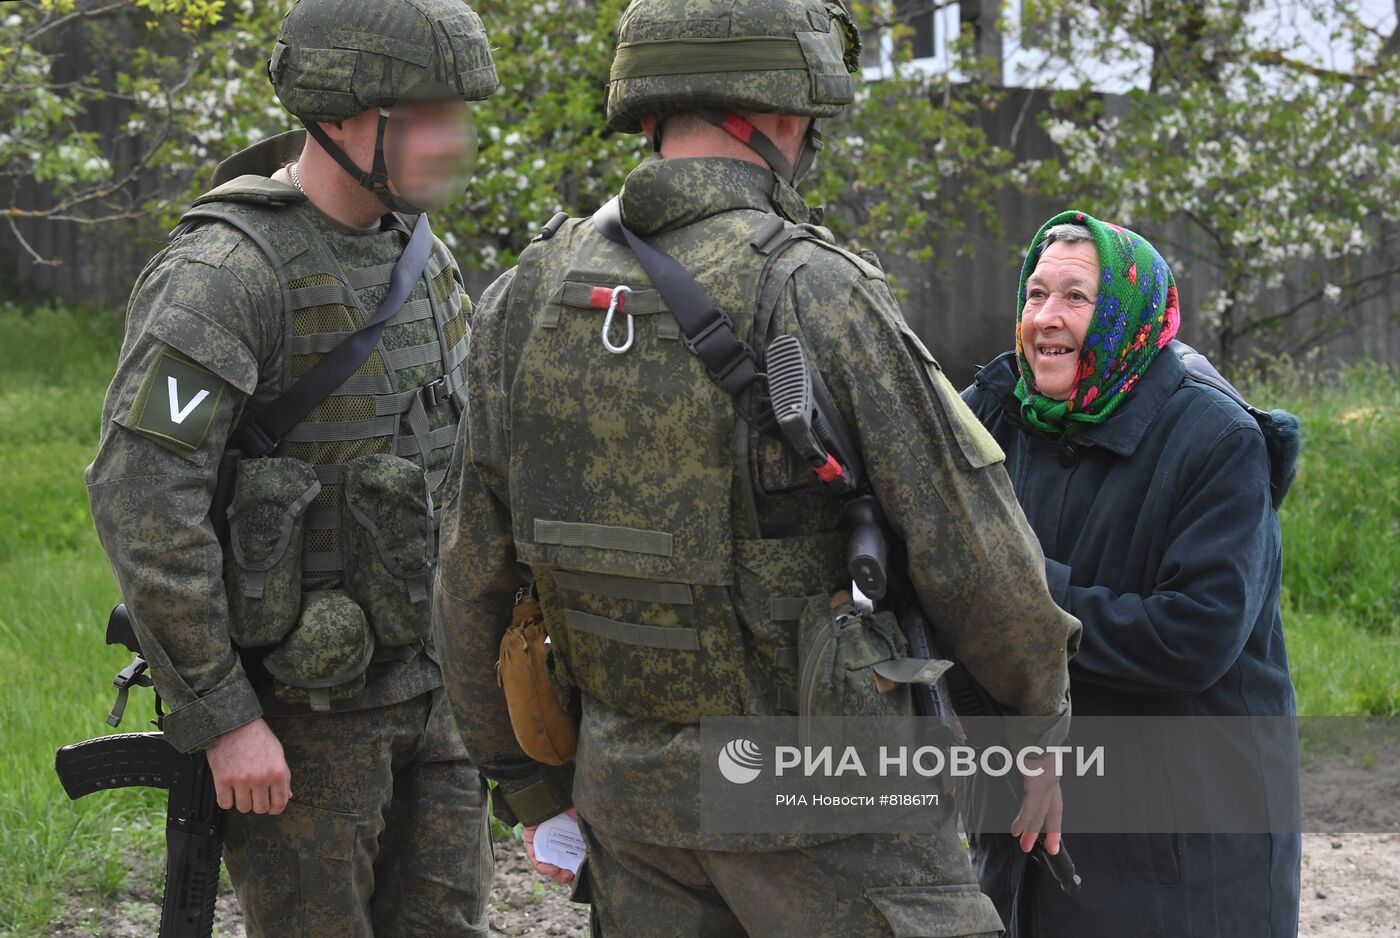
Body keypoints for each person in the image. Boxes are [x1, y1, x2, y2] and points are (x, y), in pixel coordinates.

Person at [432, 2, 1081, 934]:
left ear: (649, 109)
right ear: (780, 116)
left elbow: (468, 581)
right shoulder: (820, 289)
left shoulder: (524, 298)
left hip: (629, 803)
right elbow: (972, 545)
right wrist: (1042, 715)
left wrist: (530, 787)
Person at [84, 1, 499, 934]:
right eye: (429, 115)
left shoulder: (424, 261)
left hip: (437, 699)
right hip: (304, 720)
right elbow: (143, 499)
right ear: (341, 113)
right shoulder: (226, 274)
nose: (455, 142)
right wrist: (224, 717)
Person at [960, 210, 1302, 936]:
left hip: (1186, 827)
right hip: (1031, 813)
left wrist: (1021, 593)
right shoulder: (995, 417)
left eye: (1076, 298)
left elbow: (1194, 636)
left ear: (1126, 315)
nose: (1046, 317)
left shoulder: (1215, 440)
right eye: (1035, 294)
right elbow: (936, 580)